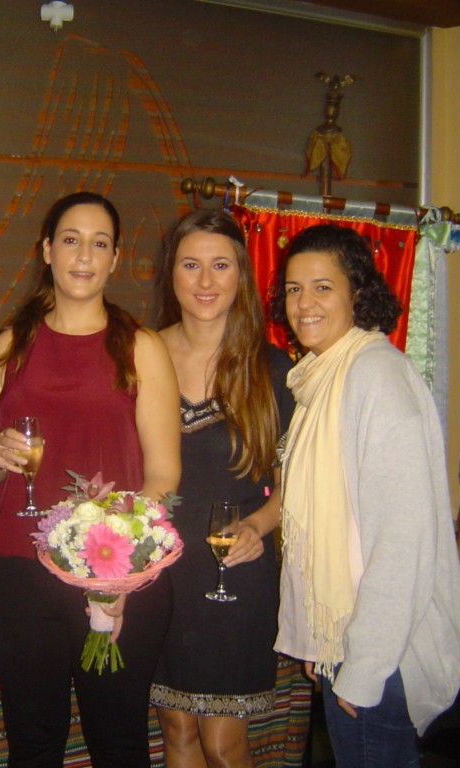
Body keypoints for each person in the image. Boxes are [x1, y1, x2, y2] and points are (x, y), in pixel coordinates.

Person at [0, 191, 181, 767]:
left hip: (115, 572)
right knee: (33, 742)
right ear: (47, 250)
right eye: (70, 240)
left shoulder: (141, 347)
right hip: (16, 565)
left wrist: (117, 572)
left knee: (118, 743)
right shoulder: (10, 345)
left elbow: (164, 472)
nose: (84, 255)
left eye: (99, 243)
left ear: (115, 258)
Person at [269, 225, 460, 767]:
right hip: (349, 643)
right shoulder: (324, 376)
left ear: (357, 293)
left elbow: (403, 539)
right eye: (293, 288)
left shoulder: (376, 376)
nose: (304, 304)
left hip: (382, 656)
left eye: (323, 287)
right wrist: (324, 645)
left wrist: (363, 665)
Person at [148, 209, 295, 768]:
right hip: (160, 571)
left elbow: (296, 485)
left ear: (242, 276)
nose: (206, 281)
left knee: (221, 741)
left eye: (221, 265)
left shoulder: (273, 369)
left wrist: (258, 525)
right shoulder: (140, 355)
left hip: (233, 573)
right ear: (171, 273)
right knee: (177, 729)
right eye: (191, 265)